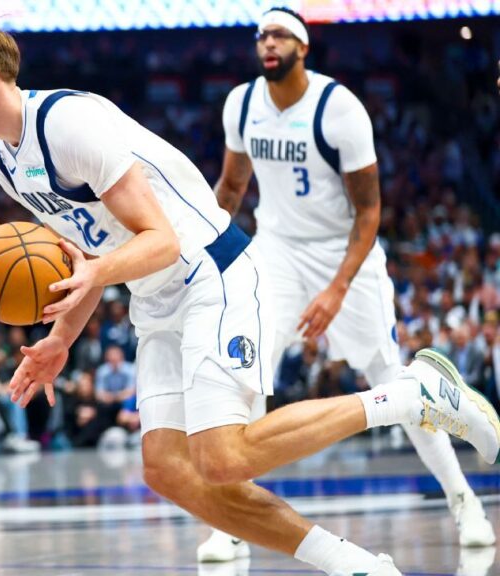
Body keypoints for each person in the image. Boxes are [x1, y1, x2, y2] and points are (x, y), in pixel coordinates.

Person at [0, 18, 500, 576]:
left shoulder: (68, 123)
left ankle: (409, 395)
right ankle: (355, 564)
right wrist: (59, 340)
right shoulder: (4, 161)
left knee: (223, 456)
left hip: (211, 274)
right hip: (154, 299)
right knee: (167, 470)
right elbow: (89, 257)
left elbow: (162, 241)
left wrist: (93, 281)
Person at [200, 7, 494, 560]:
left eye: (281, 34)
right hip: (278, 250)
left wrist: (335, 289)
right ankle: (232, 518)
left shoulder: (339, 110)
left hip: (344, 253)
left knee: (392, 377)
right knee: (248, 371)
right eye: (262, 34)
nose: (268, 43)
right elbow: (232, 188)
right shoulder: (240, 103)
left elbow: (369, 212)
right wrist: (200, 251)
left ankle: (463, 501)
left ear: (303, 47)